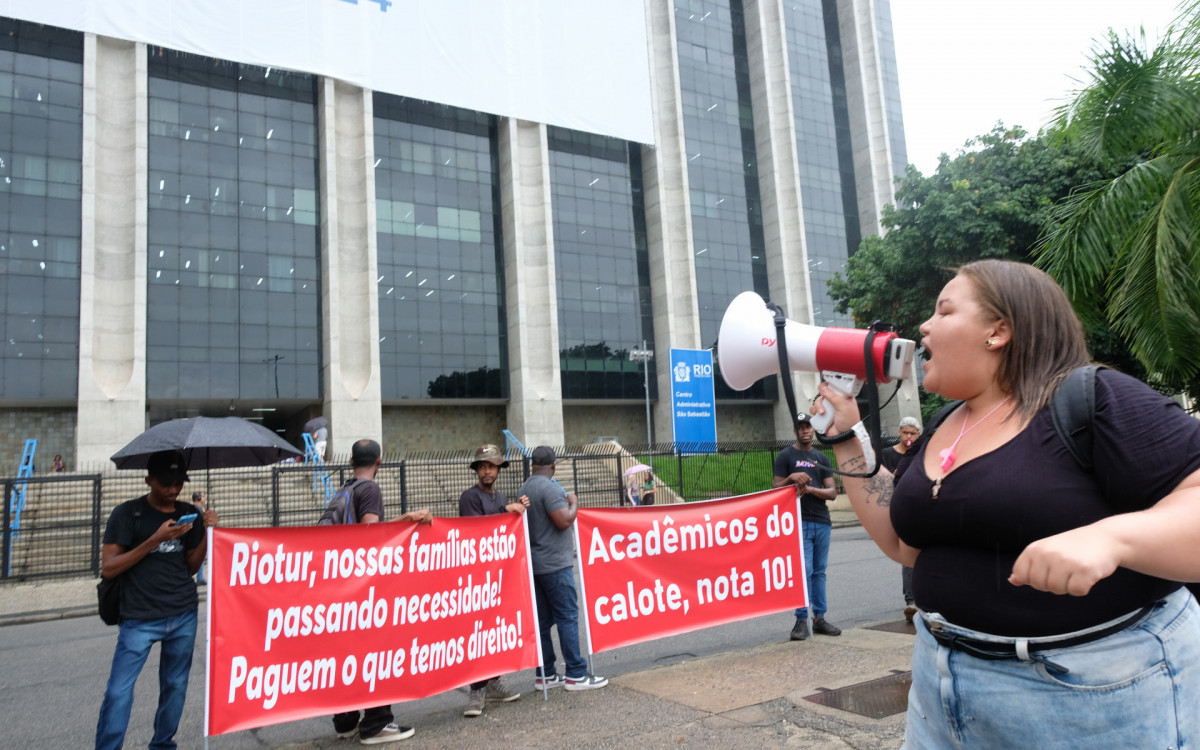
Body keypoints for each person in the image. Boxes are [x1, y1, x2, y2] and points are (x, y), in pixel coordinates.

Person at [813, 260, 1200, 748]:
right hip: (939, 686)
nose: (924, 326)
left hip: (1087, 699)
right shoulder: (947, 422)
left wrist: (1113, 538)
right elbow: (904, 545)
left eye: (944, 310)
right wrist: (848, 438)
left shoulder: (1095, 397)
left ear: (998, 331)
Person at [95, 450, 219, 750]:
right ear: (149, 480)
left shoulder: (188, 512)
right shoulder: (128, 514)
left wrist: (208, 532)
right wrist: (154, 540)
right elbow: (109, 567)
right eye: (166, 482)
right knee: (118, 692)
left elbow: (191, 566)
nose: (173, 489)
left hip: (183, 614)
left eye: (178, 482)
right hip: (139, 617)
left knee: (175, 686)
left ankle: (163, 744)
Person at [331, 439, 433, 745]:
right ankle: (377, 723)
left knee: (348, 654)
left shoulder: (342, 491)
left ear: (351, 462)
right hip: (362, 588)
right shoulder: (369, 489)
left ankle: (346, 720)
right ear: (379, 460)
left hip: (340, 586)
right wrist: (407, 521)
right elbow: (370, 535)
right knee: (377, 651)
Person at [520, 446, 608, 691]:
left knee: (543, 622)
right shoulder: (549, 488)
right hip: (555, 565)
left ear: (532, 465)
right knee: (568, 616)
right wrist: (574, 502)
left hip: (535, 565)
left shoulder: (525, 487)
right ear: (554, 466)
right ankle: (576, 674)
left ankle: (546, 674)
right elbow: (564, 520)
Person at [458, 443, 527, 717]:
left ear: (498, 469)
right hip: (476, 578)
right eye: (483, 467)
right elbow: (478, 532)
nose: (487, 471)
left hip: (499, 575)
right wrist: (507, 512)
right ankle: (477, 691)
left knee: (497, 629)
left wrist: (518, 509)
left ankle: (494, 682)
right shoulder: (469, 497)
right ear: (477, 470)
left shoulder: (500, 497)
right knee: (478, 630)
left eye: (491, 466)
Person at [773, 413, 841, 641]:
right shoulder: (786, 455)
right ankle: (801, 619)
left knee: (819, 572)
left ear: (814, 430)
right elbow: (775, 490)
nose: (805, 431)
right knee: (804, 572)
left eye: (809, 427)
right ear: (795, 431)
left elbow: (832, 492)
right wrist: (791, 478)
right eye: (801, 427)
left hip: (821, 521)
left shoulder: (821, 457)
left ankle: (819, 618)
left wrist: (811, 490)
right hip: (798, 522)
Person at [879, 416, 922, 623]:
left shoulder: (921, 454)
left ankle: (926, 600)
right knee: (908, 556)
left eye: (912, 433)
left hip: (919, 510)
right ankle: (911, 602)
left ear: (918, 435)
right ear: (899, 433)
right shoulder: (888, 454)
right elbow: (880, 482)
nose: (908, 437)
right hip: (898, 510)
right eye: (905, 432)